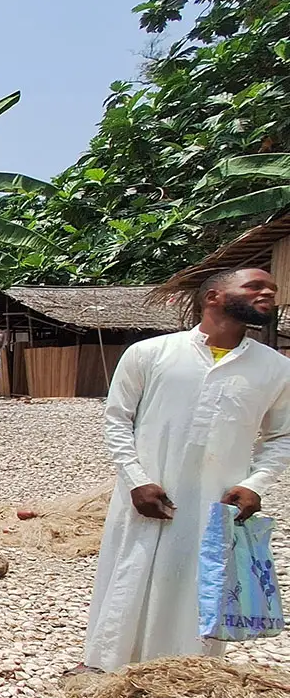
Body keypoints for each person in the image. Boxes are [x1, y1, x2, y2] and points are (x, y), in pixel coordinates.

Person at [79, 267, 290, 674]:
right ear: (213, 296)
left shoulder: (275, 369)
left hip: (217, 499)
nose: (268, 293)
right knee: (129, 575)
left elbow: (282, 435)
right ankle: (105, 671)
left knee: (200, 585)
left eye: (272, 289)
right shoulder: (151, 353)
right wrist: (137, 480)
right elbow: (118, 419)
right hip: (144, 495)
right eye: (254, 286)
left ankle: (185, 676)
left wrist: (255, 484)